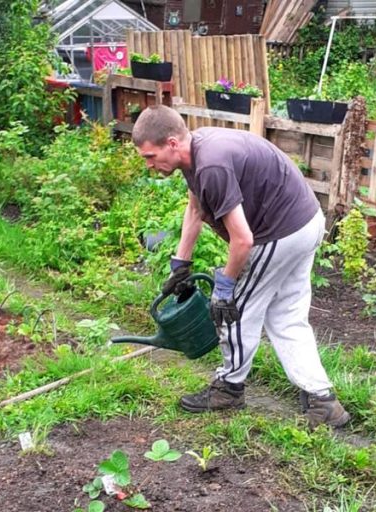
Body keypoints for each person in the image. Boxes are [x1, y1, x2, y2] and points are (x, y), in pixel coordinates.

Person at [132, 105, 350, 429]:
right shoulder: (198, 153)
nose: (150, 165)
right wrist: (181, 263)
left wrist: (224, 287)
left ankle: (229, 388)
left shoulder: (212, 166)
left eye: (151, 156)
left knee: (234, 310)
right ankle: (323, 400)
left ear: (172, 142)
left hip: (281, 231)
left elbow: (243, 241)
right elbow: (195, 210)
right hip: (305, 221)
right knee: (286, 316)